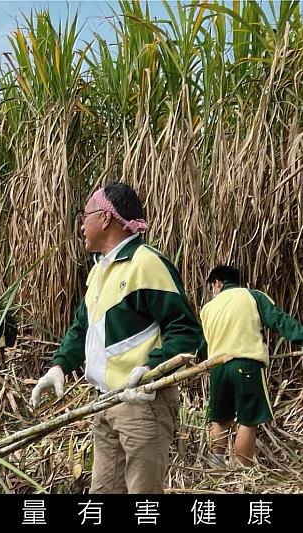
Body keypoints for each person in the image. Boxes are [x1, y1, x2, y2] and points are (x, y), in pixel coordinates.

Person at [29, 182, 202, 494]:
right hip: (105, 402)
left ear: (106, 218)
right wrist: (59, 366)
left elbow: (185, 330)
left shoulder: (145, 263)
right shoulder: (99, 272)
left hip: (141, 404)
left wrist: (152, 368)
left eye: (85, 216)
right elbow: (82, 326)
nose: (82, 224)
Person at [201, 265, 303, 467]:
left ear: (217, 283)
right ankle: (241, 471)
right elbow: (279, 320)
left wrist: (198, 360)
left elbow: (204, 343)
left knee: (220, 418)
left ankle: (216, 466)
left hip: (217, 369)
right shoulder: (252, 296)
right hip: (245, 365)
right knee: (248, 420)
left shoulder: (208, 308)